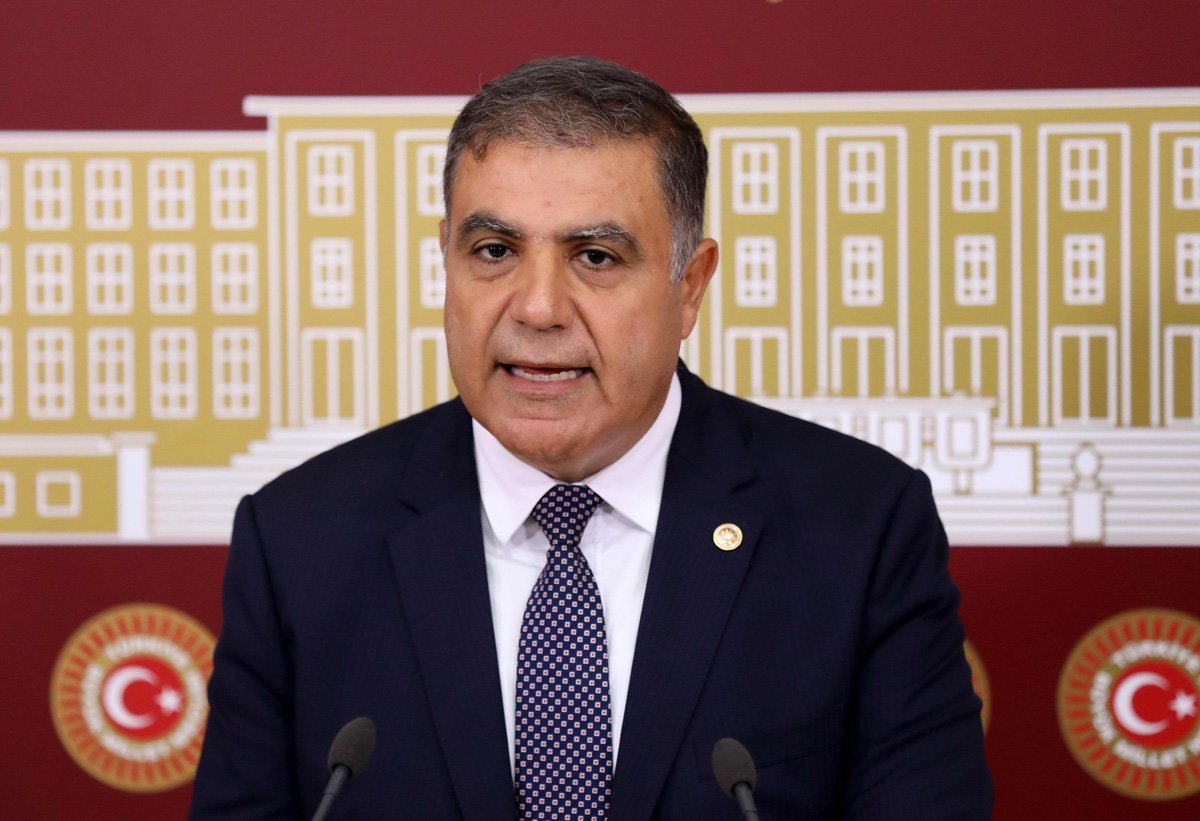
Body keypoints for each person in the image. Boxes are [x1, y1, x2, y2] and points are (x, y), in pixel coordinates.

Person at [191, 56, 993, 819]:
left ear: (690, 286)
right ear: (446, 259)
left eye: (596, 256)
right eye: (495, 251)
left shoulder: (860, 530)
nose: (537, 307)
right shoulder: (299, 540)